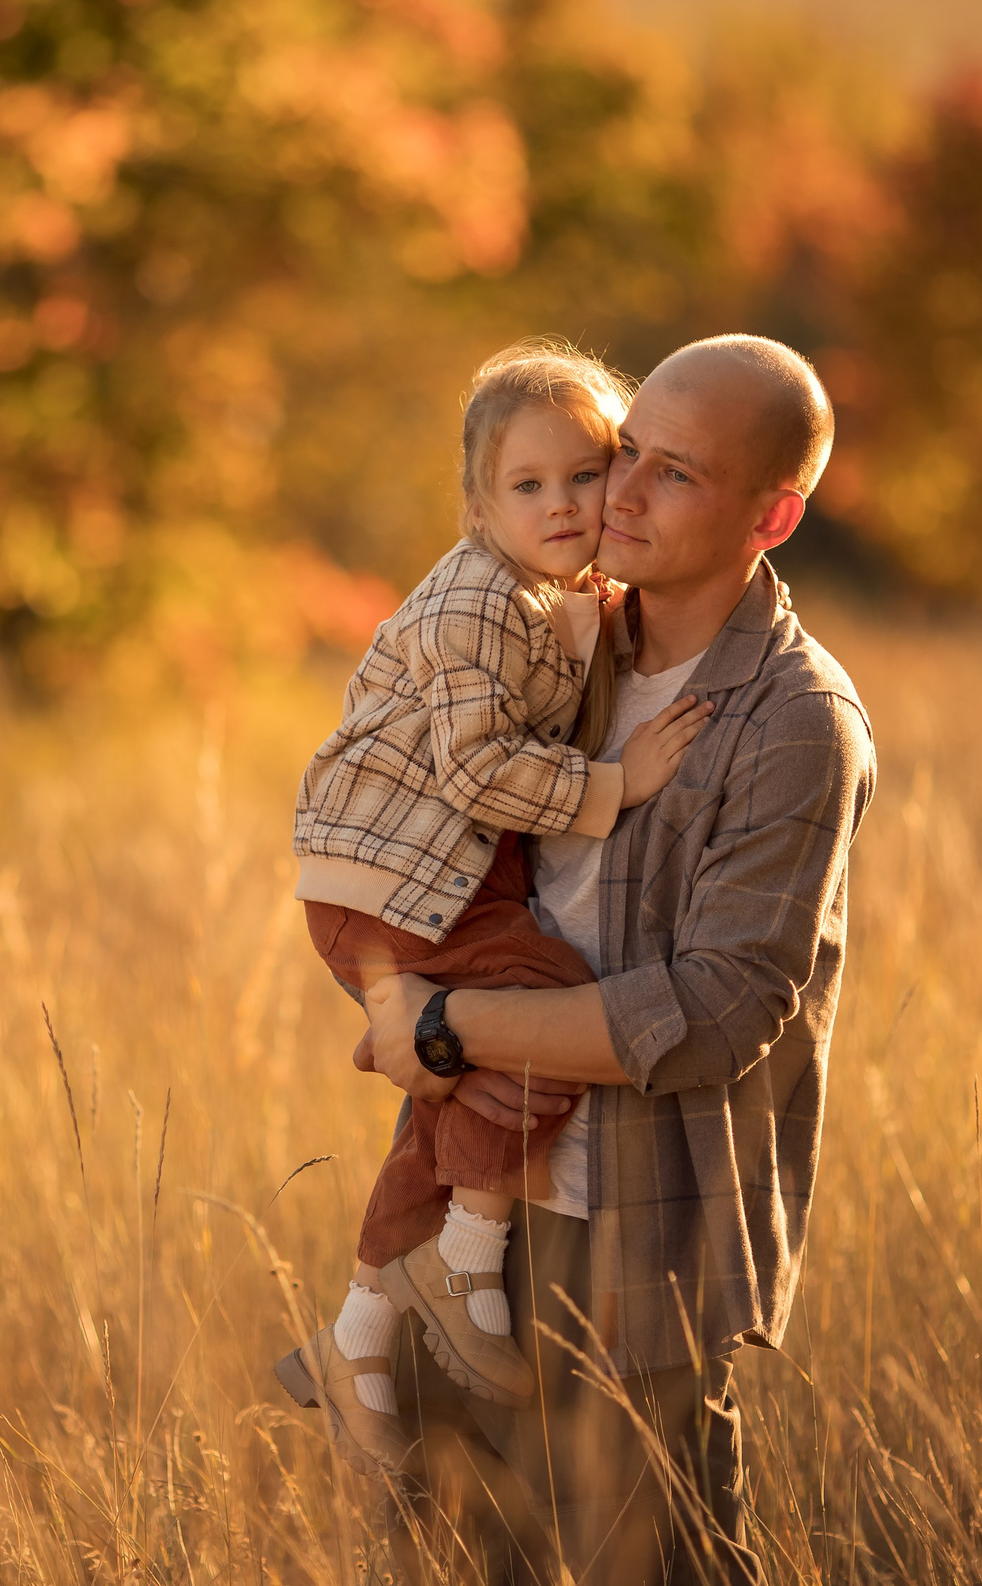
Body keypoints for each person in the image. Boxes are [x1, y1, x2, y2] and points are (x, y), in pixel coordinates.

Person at [341, 334, 875, 1584]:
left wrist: (445, 1025)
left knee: (654, 1567)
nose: (618, 494)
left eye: (675, 474)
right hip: (477, 1197)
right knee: (447, 1559)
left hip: (639, 1240)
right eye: (625, 451)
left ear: (773, 514)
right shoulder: (554, 643)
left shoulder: (795, 722)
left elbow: (712, 1012)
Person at [275, 341, 718, 1475]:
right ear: (479, 505)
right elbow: (479, 770)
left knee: (458, 1080)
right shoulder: (478, 598)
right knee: (553, 1007)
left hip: (409, 881)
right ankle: (468, 1261)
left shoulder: (540, 594)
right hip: (397, 885)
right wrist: (618, 786)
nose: (564, 504)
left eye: (586, 474)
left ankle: (357, 1334)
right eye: (529, 486)